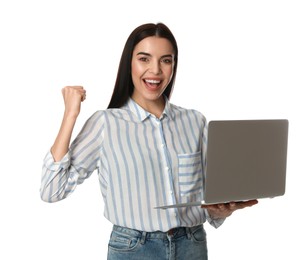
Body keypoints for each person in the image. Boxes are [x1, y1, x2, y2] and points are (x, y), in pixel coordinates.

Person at [40, 23, 258, 260]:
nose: (155, 70)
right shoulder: (106, 123)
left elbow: (208, 199)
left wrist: (220, 210)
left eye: (166, 60)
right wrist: (70, 114)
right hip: (134, 249)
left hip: (192, 245)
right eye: (144, 59)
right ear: (129, 63)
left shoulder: (194, 121)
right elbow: (52, 190)